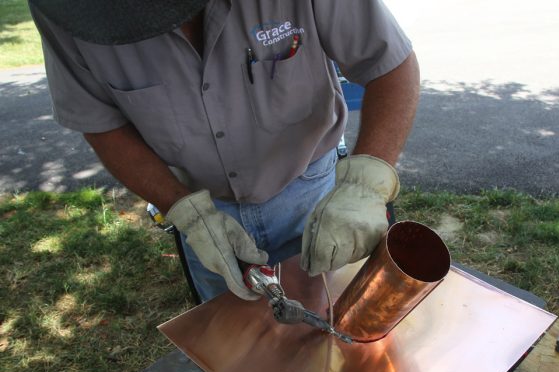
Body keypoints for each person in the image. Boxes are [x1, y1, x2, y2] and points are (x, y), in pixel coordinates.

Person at [29, 0, 420, 303]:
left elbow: (390, 66)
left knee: (340, 326)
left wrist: (365, 186)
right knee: (240, 353)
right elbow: (102, 124)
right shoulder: (65, 12)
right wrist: (187, 212)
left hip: (314, 192)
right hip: (203, 209)